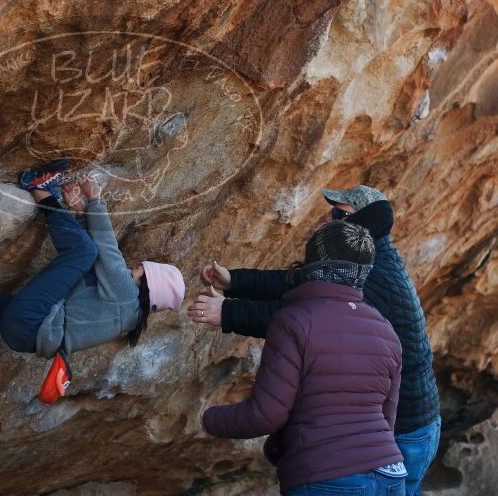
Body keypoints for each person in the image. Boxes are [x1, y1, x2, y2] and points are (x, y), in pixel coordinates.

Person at [189, 185, 441, 495]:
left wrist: (227, 312)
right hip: (387, 449)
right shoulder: (361, 269)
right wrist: (234, 281)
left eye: (338, 213)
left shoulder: (376, 279)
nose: (327, 216)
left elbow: (300, 320)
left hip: (406, 432)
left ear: (363, 224)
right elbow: (299, 283)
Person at [0, 159, 185, 403]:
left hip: (29, 321)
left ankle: (38, 189)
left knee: (83, 252)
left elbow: (105, 250)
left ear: (148, 285)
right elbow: (94, 266)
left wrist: (95, 200)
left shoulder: (125, 293)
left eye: (139, 270)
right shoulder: (126, 313)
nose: (133, 269)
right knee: (9, 303)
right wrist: (81, 211)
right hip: (23, 336)